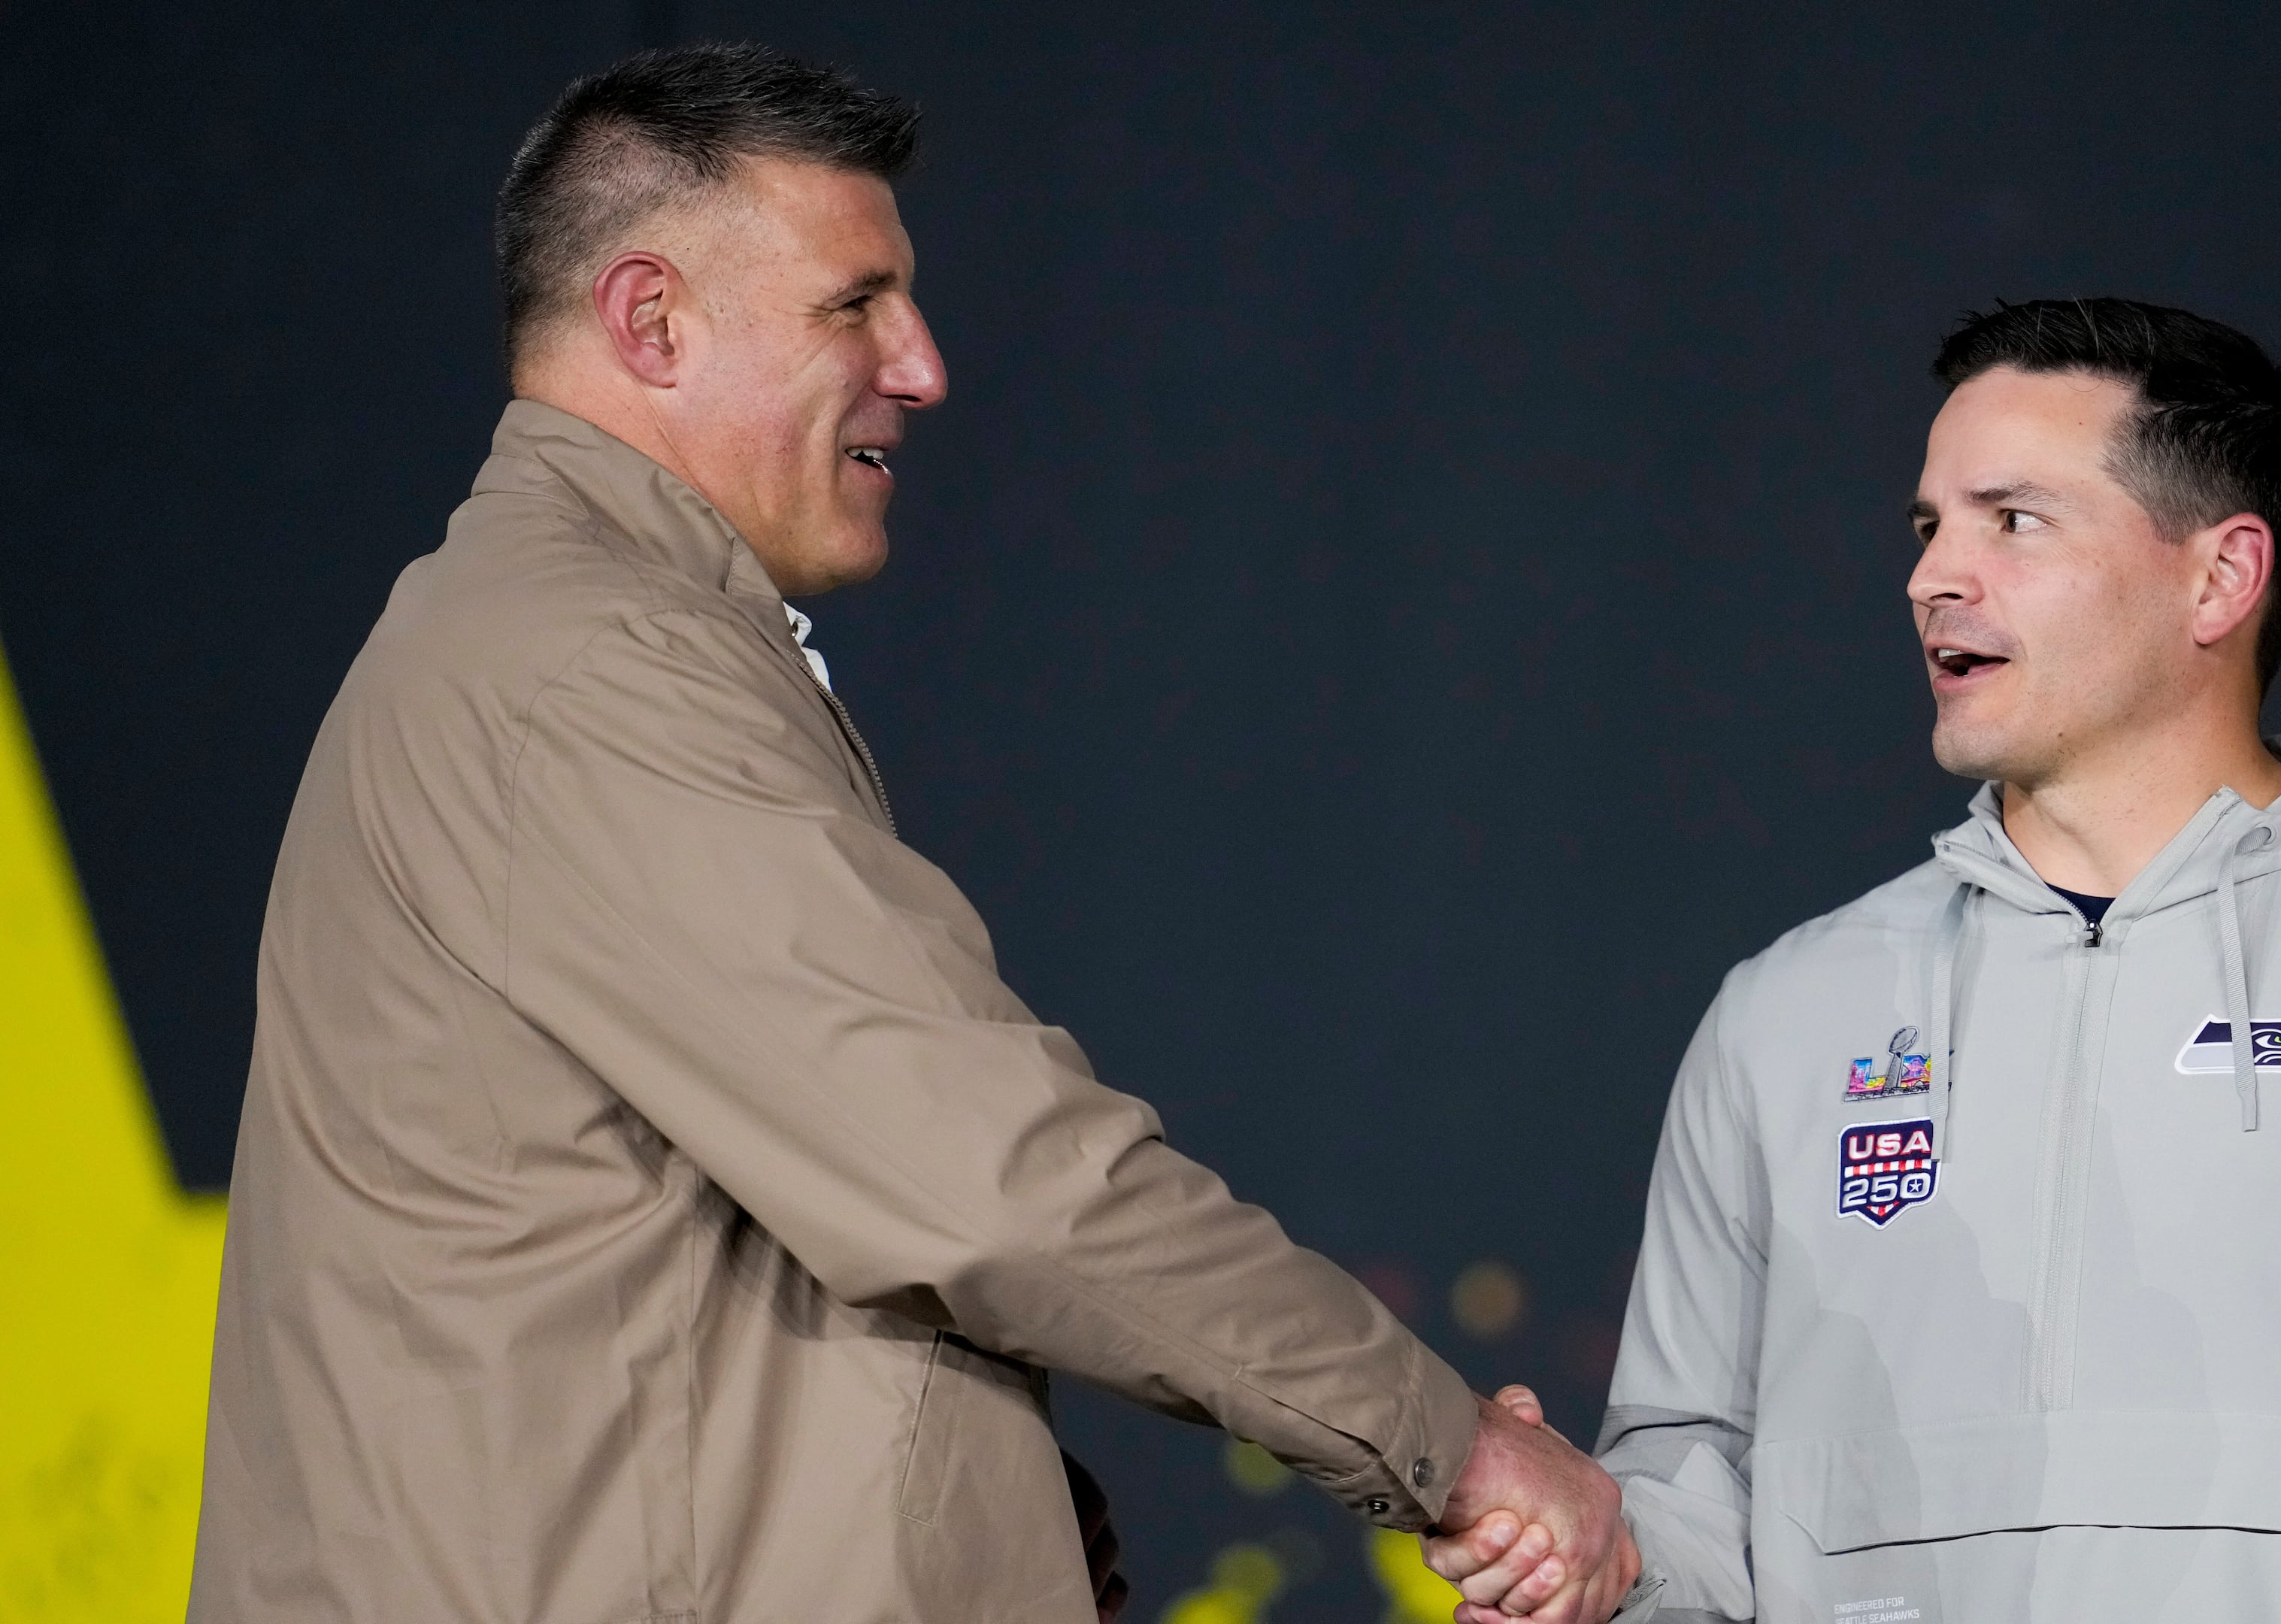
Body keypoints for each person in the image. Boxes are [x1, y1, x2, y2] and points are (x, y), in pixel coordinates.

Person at [189, 44, 1633, 1623]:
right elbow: (994, 1189)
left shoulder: (550, 637)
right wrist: (1452, 1453)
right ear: (651, 322)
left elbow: (749, 1258)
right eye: (853, 304)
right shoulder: (594, 669)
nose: (924, 364)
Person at [1429, 298, 2281, 1622]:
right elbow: (1699, 1501)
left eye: (2013, 519)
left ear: (2220, 577)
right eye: (1929, 526)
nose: (1934, 575)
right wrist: (1615, 1556)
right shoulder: (1787, 1016)